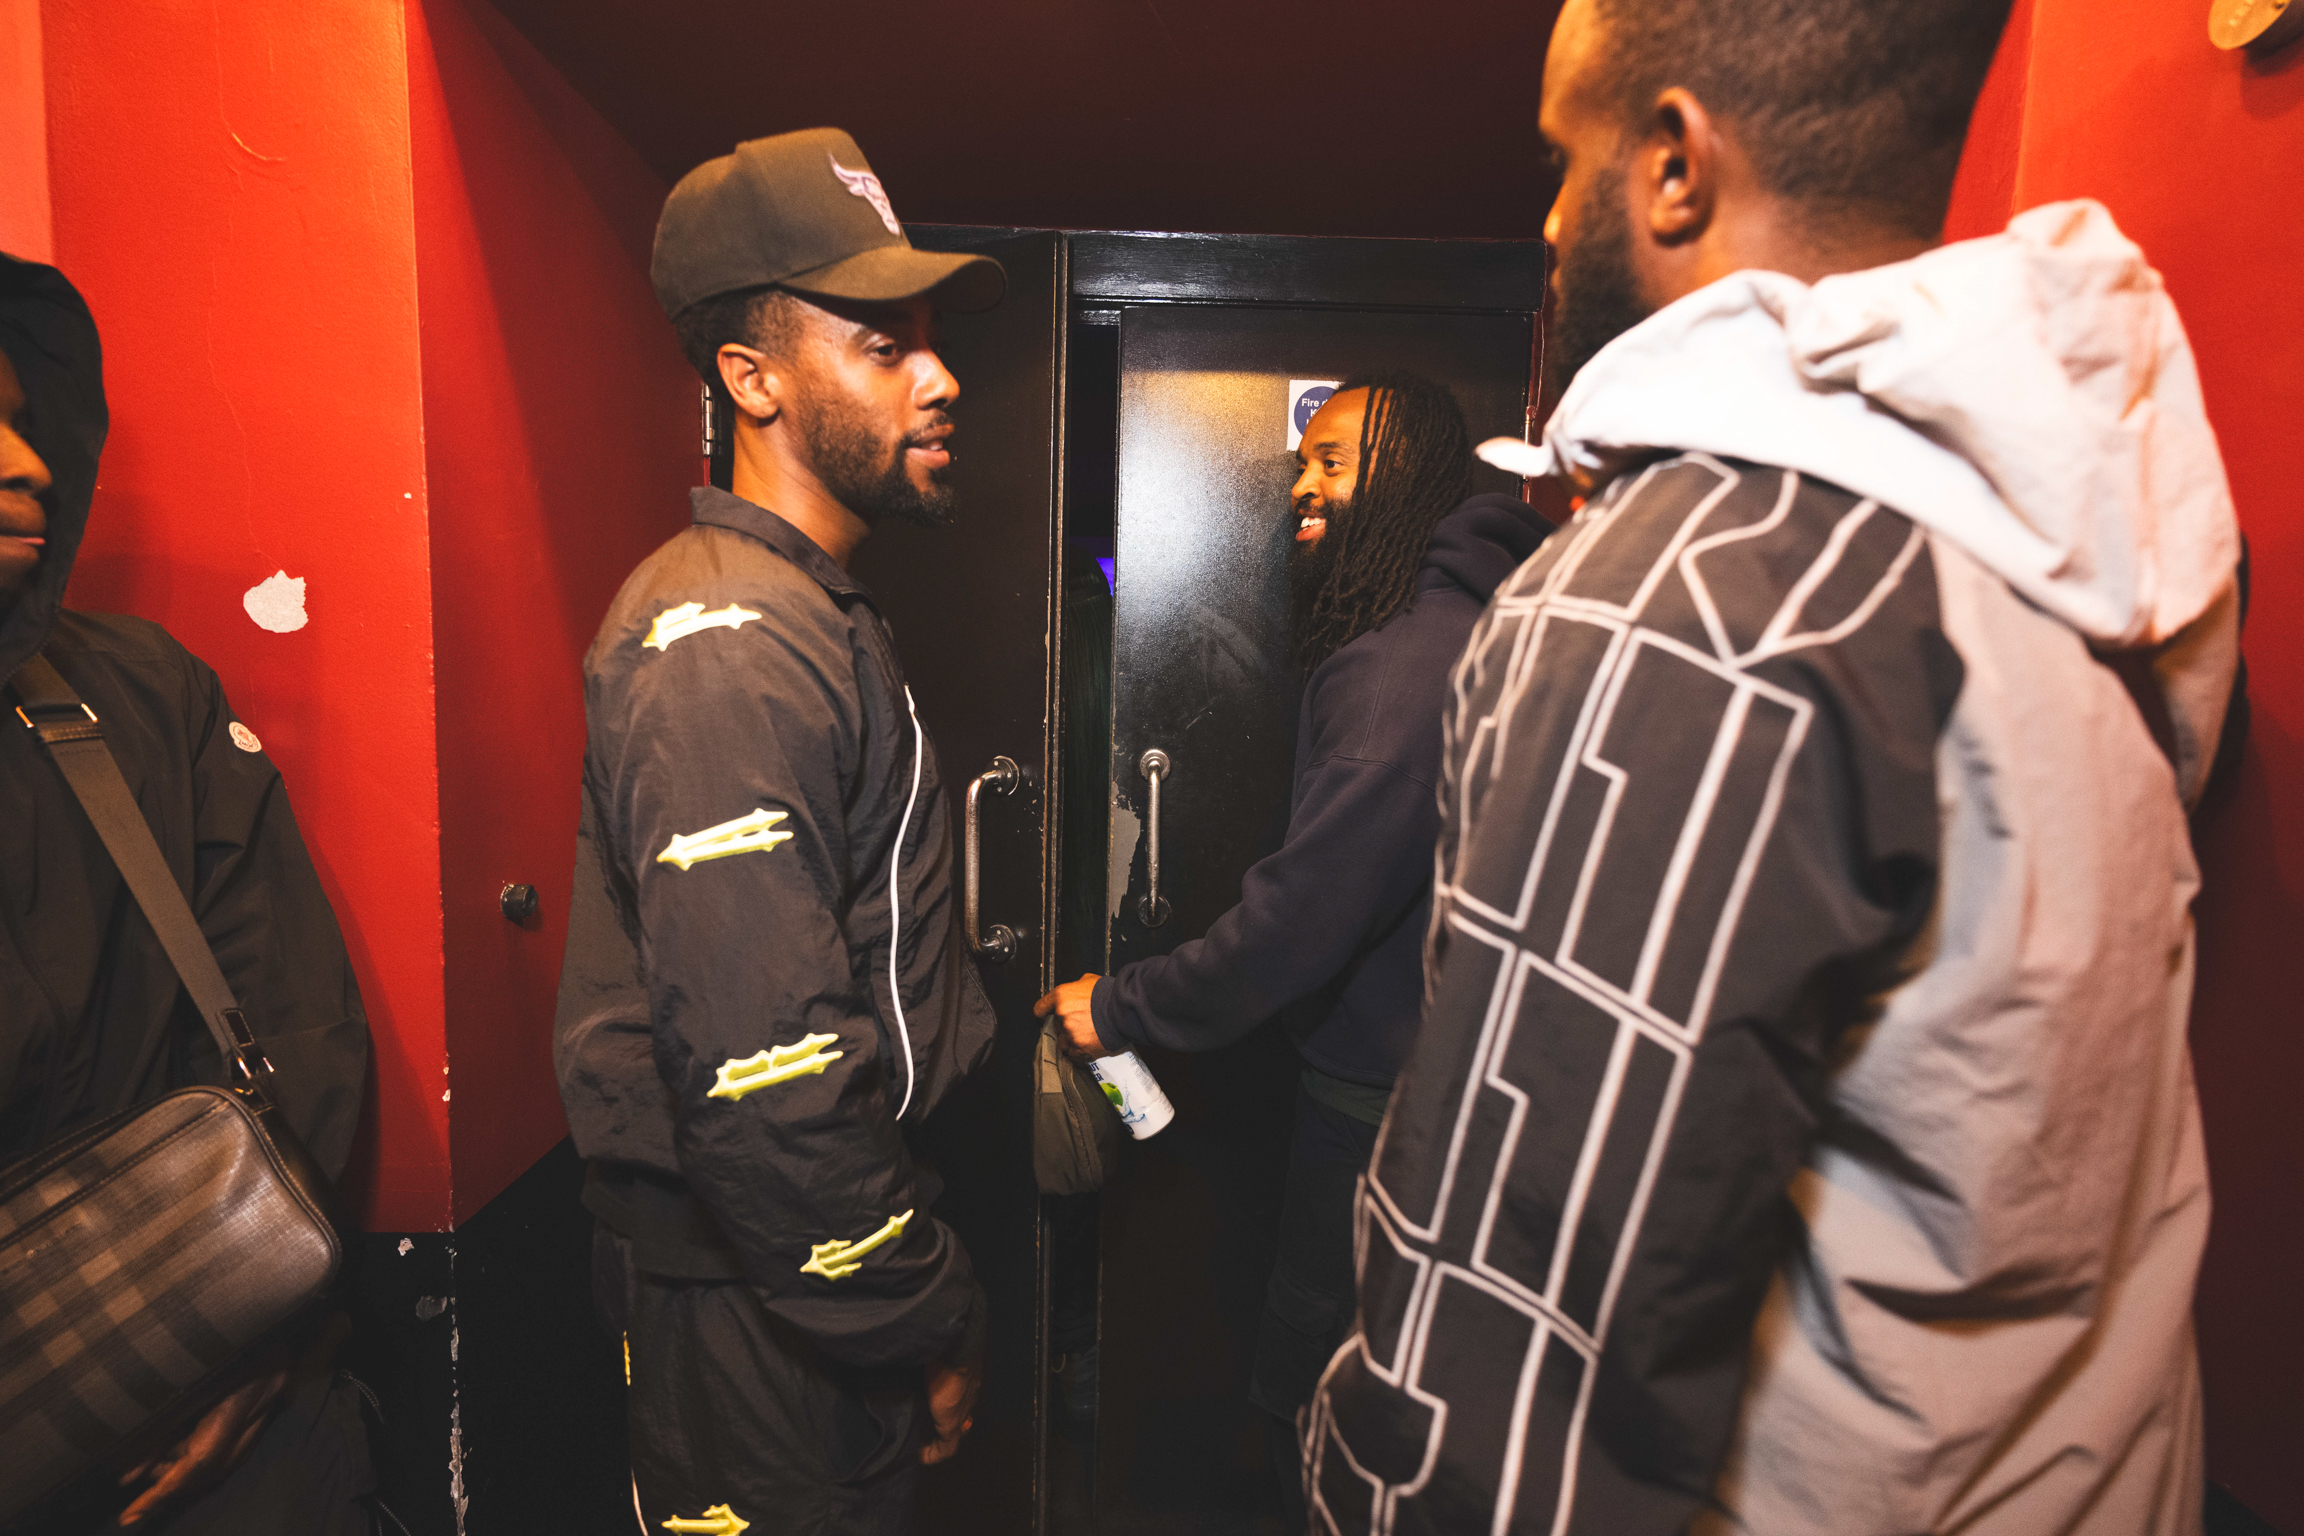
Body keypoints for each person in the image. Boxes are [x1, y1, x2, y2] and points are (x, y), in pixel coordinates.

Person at [1302, 1, 2240, 1531]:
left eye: (1565, 158)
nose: (1546, 217)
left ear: (1673, 165)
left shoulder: (1694, 606)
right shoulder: (2060, 544)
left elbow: (1503, 1416)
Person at [552, 129, 1006, 1535]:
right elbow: (768, 1074)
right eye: (881, 345)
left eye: (930, 340)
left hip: (806, 1279)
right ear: (750, 381)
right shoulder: (727, 643)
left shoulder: (800, 612)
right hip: (769, 1304)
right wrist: (921, 1313)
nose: (936, 377)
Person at [1036, 372, 1552, 1531]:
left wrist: (1118, 1008)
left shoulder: (1404, 669)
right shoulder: (1471, 632)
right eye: (1301, 464)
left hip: (1379, 1114)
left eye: (1335, 461)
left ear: (1410, 482)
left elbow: (1293, 928)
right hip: (1444, 1091)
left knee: (1315, 1408)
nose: (1302, 489)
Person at [0, 255, 374, 1532]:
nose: (26, 461)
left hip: (243, 1437)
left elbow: (300, 1025)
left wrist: (270, 1346)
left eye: (23, 416)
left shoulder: (134, 695)